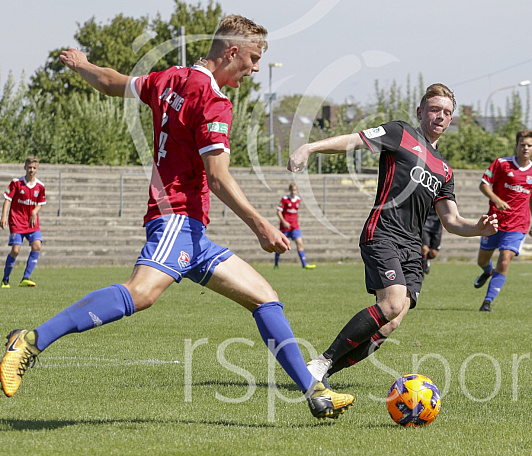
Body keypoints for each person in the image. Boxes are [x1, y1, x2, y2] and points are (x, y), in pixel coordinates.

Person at [0, 14, 353, 420]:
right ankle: (29, 341)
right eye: (253, 58)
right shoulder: (213, 101)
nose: (255, 68)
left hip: (193, 232)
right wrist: (262, 225)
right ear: (232, 51)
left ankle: (315, 392)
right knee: (142, 292)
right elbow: (218, 180)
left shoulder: (169, 78)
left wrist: (82, 66)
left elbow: (113, 82)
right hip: (176, 217)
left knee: (265, 298)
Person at [288, 83, 498, 384]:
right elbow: (355, 140)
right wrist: (310, 147)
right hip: (383, 232)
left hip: (413, 249)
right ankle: (320, 363)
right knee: (392, 304)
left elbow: (451, 220)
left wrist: (478, 228)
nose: (440, 116)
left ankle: (320, 374)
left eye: (447, 113)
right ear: (420, 111)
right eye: (435, 109)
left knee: (390, 323)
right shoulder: (401, 133)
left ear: (451, 120)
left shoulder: (445, 170)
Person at [473, 129, 532, 312]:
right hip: (494, 221)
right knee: (482, 260)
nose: (525, 148)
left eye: (529, 145)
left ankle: (487, 302)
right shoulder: (502, 164)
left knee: (504, 259)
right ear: (516, 145)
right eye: (522, 144)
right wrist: (497, 200)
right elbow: (483, 185)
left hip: (518, 224)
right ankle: (487, 271)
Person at [1, 157, 46, 288]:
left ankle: (26, 278)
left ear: (37, 169)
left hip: (31, 223)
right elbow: (8, 199)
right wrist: (3, 216)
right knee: (15, 250)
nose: (31, 170)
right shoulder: (16, 183)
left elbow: (40, 204)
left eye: (34, 168)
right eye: (29, 167)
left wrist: (34, 212)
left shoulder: (40, 186)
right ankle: (5, 279)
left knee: (37, 246)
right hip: (16, 221)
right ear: (25, 167)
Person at [274, 183, 315, 269]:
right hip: (285, 227)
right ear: (290, 190)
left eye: (295, 190)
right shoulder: (285, 199)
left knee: (300, 243)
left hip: (295, 227)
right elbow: (278, 211)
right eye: (292, 190)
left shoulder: (298, 200)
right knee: (280, 245)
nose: (293, 192)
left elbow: (297, 212)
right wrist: (284, 222)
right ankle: (276, 264)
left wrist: (297, 222)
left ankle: (304, 264)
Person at [421, 207, 443, 275]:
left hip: (437, 226)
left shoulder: (440, 197)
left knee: (434, 253)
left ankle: (425, 260)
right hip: (424, 223)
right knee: (424, 248)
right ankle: (422, 270)